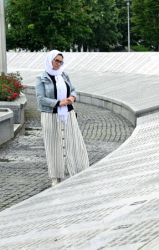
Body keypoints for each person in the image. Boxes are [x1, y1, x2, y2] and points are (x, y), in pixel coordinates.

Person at [36, 50, 89, 186]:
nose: (59, 64)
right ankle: (56, 177)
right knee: (53, 146)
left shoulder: (64, 75)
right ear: (50, 60)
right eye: (56, 61)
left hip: (68, 115)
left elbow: (72, 89)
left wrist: (72, 97)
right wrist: (59, 103)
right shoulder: (41, 78)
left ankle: (77, 171)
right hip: (50, 115)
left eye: (61, 62)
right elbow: (41, 99)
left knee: (73, 142)